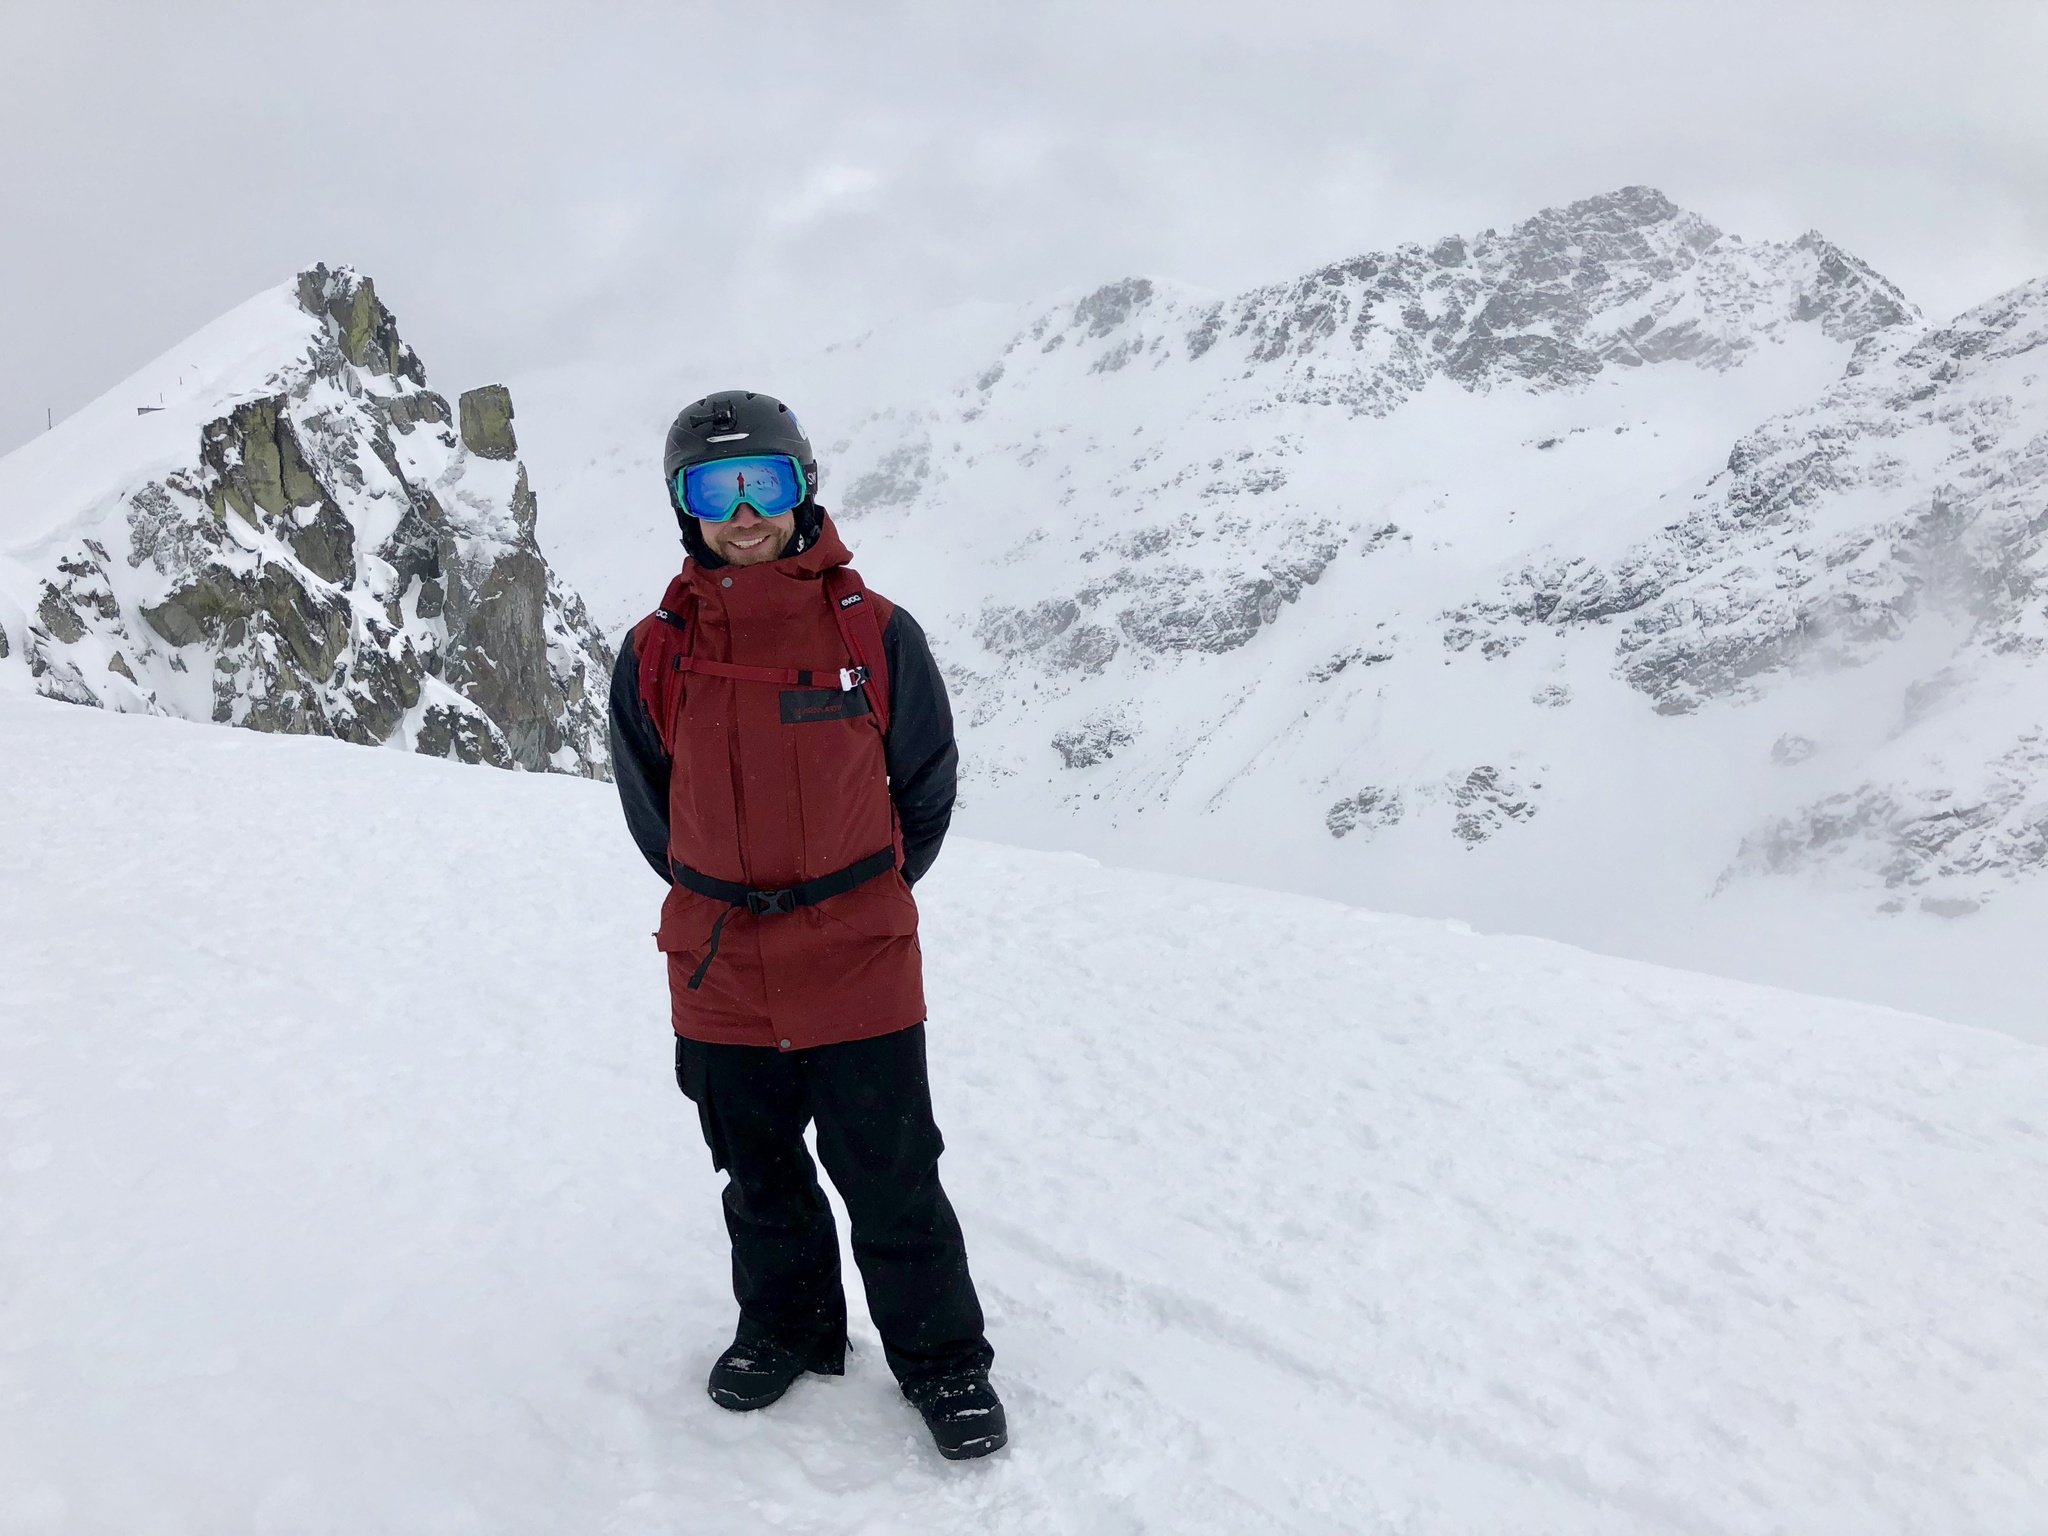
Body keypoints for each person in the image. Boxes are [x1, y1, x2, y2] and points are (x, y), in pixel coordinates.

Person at [608, 390, 1005, 1460]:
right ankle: (784, 1326)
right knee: (758, 1169)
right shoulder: (653, 650)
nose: (743, 513)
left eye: (764, 485)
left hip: (857, 957)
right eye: (715, 489)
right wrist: (725, 894)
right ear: (682, 508)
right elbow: (654, 810)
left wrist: (857, 896)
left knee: (890, 1168)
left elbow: (922, 788)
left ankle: (941, 1361)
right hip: (720, 964)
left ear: (803, 488)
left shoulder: (873, 634)